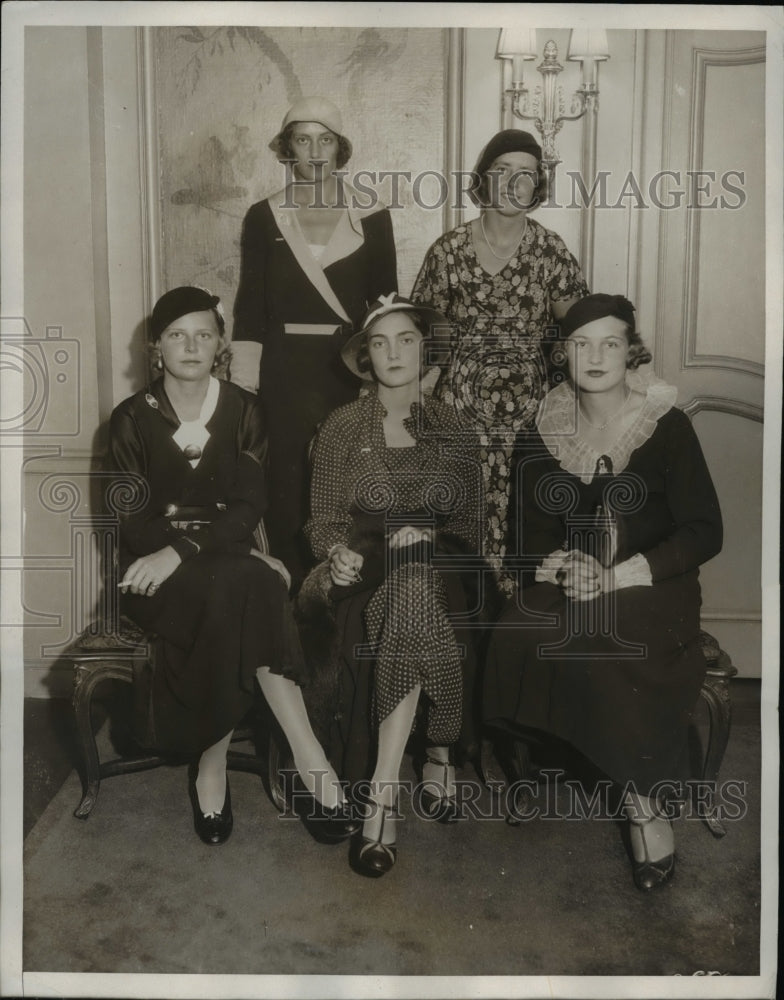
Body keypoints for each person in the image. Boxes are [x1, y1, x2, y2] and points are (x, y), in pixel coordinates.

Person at [482, 293, 723, 890]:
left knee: (606, 634)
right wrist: (556, 563)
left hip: (651, 580)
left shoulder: (665, 425)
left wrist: (614, 576)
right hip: (575, 580)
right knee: (521, 628)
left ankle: (645, 804)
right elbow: (527, 536)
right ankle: (538, 763)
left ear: (630, 351)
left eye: (610, 343)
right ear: (562, 353)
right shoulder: (543, 429)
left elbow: (704, 530)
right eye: (580, 343)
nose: (595, 356)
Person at [107, 286, 359, 846]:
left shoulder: (246, 409)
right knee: (253, 579)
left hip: (219, 568)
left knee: (240, 584)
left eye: (203, 333)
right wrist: (189, 552)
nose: (191, 345)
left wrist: (195, 548)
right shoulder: (129, 419)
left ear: (221, 342)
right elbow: (133, 523)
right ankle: (312, 763)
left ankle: (214, 766)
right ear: (156, 347)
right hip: (153, 576)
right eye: (177, 334)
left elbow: (250, 505)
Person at [303, 293, 483, 877]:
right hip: (366, 565)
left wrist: (423, 541)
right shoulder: (342, 425)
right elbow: (324, 517)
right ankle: (436, 753)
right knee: (403, 587)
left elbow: (469, 525)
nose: (393, 353)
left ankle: (382, 794)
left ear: (425, 348)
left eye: (406, 339)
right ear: (366, 359)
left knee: (415, 585)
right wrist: (335, 554)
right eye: (379, 343)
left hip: (446, 564)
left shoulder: (453, 426)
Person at [230, 97, 398, 586]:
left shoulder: (373, 215)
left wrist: (382, 378)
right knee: (287, 489)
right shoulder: (264, 216)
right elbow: (250, 308)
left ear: (340, 148)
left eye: (325, 139)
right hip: (283, 374)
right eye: (303, 139)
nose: (315, 151)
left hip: (348, 373)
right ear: (287, 150)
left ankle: (340, 599)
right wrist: (246, 385)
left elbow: (385, 306)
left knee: (345, 489)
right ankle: (289, 605)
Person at [412, 129, 588, 592]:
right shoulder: (447, 251)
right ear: (483, 181)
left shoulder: (550, 251)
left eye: (526, 174)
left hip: (531, 415)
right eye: (502, 171)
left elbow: (579, 330)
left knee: (524, 521)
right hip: (459, 412)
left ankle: (512, 635)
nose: (514, 183)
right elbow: (420, 341)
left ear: (538, 187)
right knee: (459, 516)